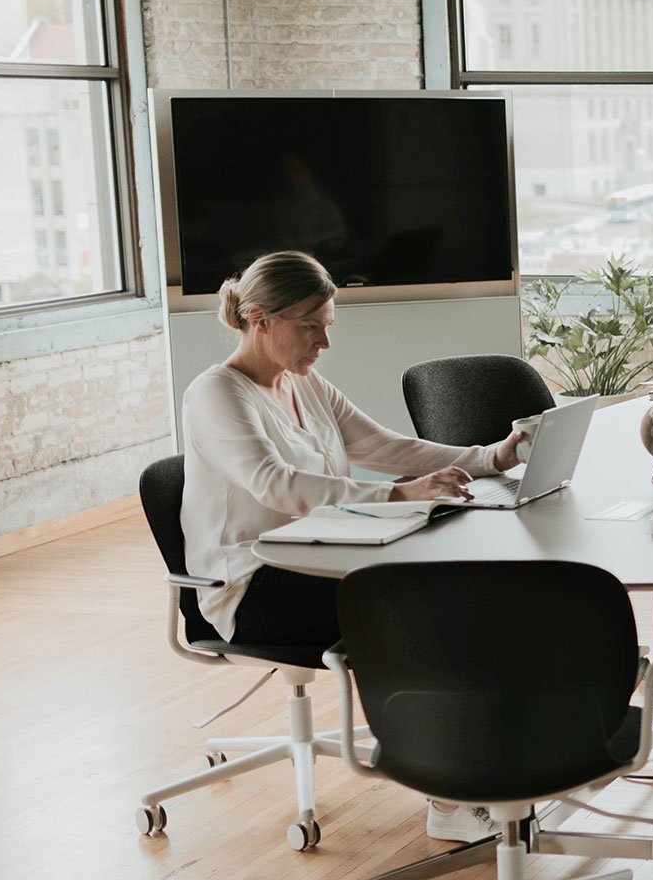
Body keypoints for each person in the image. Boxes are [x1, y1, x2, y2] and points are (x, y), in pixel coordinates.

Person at [179, 249, 527, 841]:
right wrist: (401, 494)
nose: (324, 342)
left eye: (328, 325)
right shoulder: (217, 394)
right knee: (420, 609)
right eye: (310, 326)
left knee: (459, 590)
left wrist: (491, 457)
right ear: (259, 319)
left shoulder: (304, 383)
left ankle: (493, 763)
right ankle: (447, 794)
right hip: (253, 582)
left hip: (328, 554)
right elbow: (276, 484)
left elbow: (388, 448)